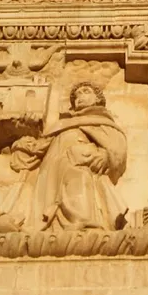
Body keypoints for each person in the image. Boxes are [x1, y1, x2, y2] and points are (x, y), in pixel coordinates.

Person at [30, 82, 128, 230]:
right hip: (53, 170)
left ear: (97, 99)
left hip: (80, 165)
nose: (79, 97)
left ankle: (85, 222)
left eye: (86, 92)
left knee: (78, 183)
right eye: (76, 95)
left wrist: (106, 156)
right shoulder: (62, 125)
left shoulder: (103, 122)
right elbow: (38, 148)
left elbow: (117, 148)